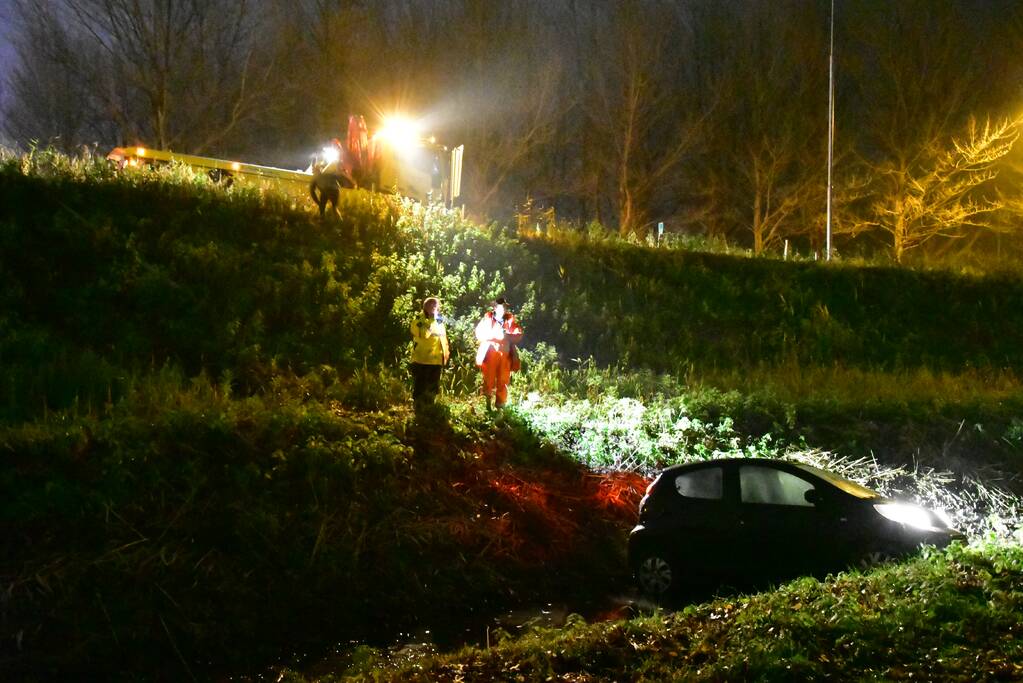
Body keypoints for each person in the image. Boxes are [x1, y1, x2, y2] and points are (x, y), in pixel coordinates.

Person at [474, 297, 524, 410]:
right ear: (495, 307)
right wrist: (493, 335)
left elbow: (518, 335)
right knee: (488, 378)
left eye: (504, 307)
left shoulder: (510, 321)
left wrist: (507, 335)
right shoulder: (487, 319)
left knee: (503, 380)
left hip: (505, 354)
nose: (503, 309)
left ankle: (500, 406)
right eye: (500, 307)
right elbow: (479, 333)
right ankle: (487, 404)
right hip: (489, 353)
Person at [410, 297, 450, 408]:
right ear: (425, 307)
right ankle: (418, 408)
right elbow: (423, 334)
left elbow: (443, 338)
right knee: (420, 386)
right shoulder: (418, 319)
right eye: (430, 305)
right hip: (422, 359)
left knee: (433, 387)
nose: (433, 308)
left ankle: (430, 408)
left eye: (435, 306)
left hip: (436, 360)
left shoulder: (439, 321)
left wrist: (446, 354)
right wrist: (431, 321)